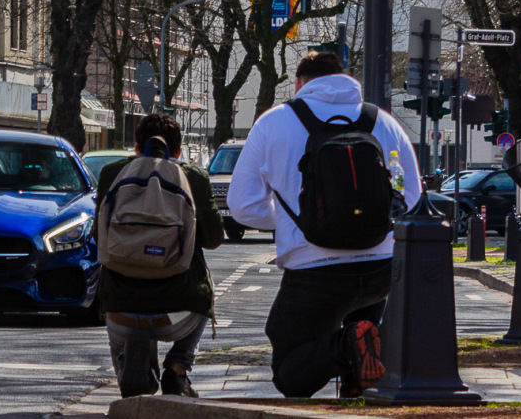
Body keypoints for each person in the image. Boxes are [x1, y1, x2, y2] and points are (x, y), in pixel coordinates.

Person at [227, 51, 421, 399]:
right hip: (380, 266)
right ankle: (358, 369)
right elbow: (411, 194)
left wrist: (296, 220)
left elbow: (242, 205)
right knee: (366, 323)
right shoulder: (385, 122)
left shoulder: (274, 123)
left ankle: (348, 345)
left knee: (291, 374)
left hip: (314, 271)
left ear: (299, 83)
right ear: (343, 77)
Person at [95, 113, 223, 398]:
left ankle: (124, 366)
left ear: (137, 147)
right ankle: (178, 367)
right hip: (178, 315)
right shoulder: (193, 178)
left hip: (120, 308)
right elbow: (214, 239)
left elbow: (97, 236)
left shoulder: (111, 173)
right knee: (205, 292)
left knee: (113, 303)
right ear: (178, 150)